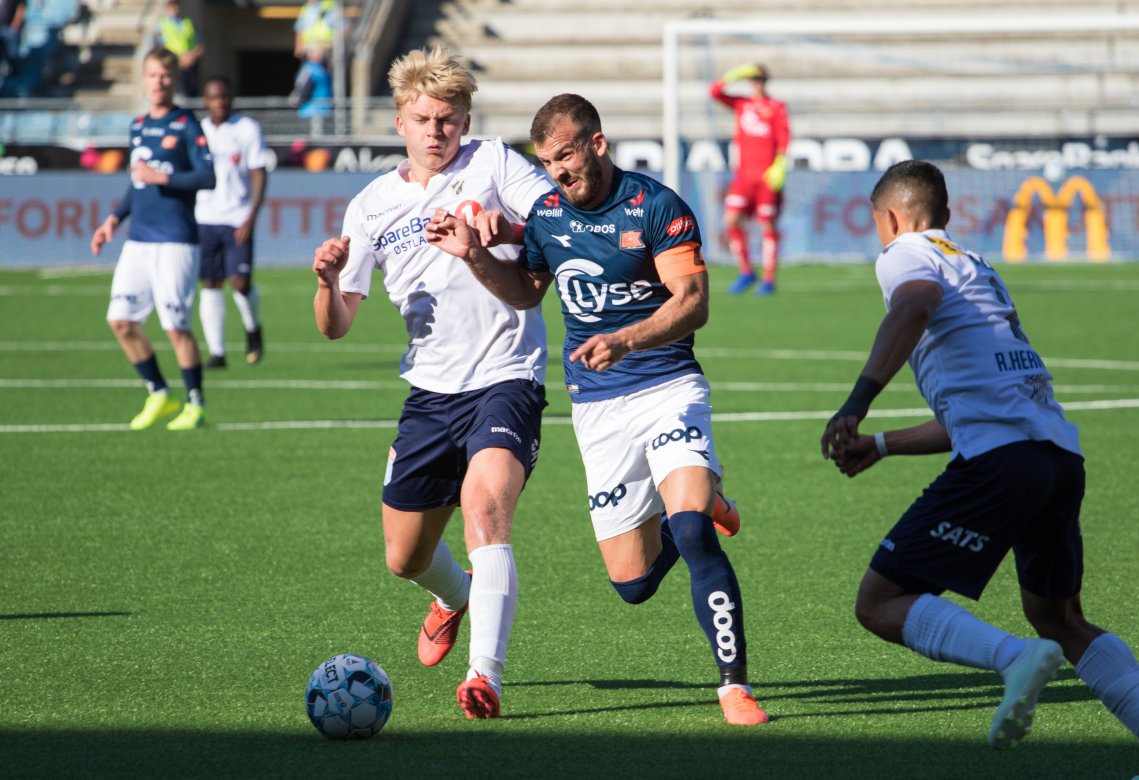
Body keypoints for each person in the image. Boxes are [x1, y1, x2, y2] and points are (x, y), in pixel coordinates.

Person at [820, 160, 1139, 779]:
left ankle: (1012, 658)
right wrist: (882, 445)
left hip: (1004, 465)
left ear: (891, 219)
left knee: (880, 602)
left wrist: (856, 403)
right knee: (1060, 619)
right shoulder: (977, 268)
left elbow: (914, 304)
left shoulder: (905, 254)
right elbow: (979, 409)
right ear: (947, 215)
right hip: (1056, 460)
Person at [425, 93, 767, 726]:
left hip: (668, 386)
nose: (556, 172)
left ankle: (734, 687)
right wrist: (474, 255)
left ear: (597, 145)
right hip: (598, 407)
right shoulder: (548, 216)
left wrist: (627, 340)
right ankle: (699, 505)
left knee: (694, 534)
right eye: (546, 162)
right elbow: (526, 292)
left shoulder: (656, 205)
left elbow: (693, 302)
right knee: (632, 584)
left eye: (564, 156)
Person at [311, 46, 552, 720]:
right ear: (400, 124)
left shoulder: (493, 163)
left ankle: (484, 677)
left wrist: (503, 228)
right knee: (404, 557)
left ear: (465, 122)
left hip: (507, 376)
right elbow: (336, 326)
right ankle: (454, 595)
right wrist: (327, 283)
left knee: (486, 509)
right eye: (423, 119)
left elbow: (557, 219)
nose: (436, 131)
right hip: (429, 392)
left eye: (448, 120)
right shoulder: (371, 206)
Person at [90, 46, 215, 431]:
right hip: (138, 240)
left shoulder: (186, 124)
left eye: (164, 75)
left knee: (175, 326)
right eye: (152, 75)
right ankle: (159, 391)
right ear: (143, 80)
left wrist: (163, 177)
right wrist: (114, 218)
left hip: (175, 240)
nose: (158, 82)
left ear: (174, 80)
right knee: (120, 320)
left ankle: (195, 404)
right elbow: (137, 181)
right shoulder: (138, 126)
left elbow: (207, 176)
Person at [196, 76, 268, 368]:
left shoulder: (247, 129)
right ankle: (217, 352)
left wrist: (251, 217)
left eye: (224, 97)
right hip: (204, 218)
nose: (220, 103)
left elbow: (259, 173)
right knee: (210, 283)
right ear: (206, 101)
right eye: (214, 98)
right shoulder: (198, 131)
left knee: (239, 282)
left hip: (237, 217)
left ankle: (252, 328)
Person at [709, 63, 789, 296]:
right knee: (731, 220)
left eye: (760, 79)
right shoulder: (742, 104)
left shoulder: (776, 107)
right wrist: (732, 75)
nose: (756, 84)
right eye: (753, 79)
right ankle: (746, 271)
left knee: (767, 223)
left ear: (766, 81)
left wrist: (780, 163)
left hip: (766, 177)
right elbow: (715, 92)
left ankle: (769, 278)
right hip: (744, 177)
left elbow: (784, 137)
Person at [153, 0, 202, 98]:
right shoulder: (161, 25)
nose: (173, 8)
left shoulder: (188, 23)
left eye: (175, 4)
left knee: (191, 93)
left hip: (189, 66)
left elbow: (200, 44)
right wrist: (178, 58)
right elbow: (158, 48)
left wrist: (191, 56)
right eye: (171, 5)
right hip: (172, 65)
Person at [290, 44, 332, 135]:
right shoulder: (309, 69)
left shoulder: (322, 68)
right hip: (310, 112)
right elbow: (302, 89)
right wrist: (298, 102)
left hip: (323, 111)